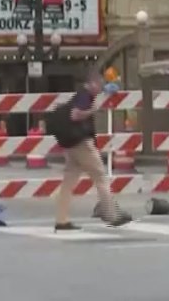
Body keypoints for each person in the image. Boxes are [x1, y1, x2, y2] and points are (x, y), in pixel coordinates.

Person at [53, 71, 131, 231]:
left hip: (70, 145)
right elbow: (75, 115)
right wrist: (92, 111)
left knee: (68, 182)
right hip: (81, 143)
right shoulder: (84, 95)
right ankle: (111, 215)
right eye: (100, 84)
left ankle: (61, 219)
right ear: (92, 83)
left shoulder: (81, 95)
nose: (101, 88)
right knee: (100, 175)